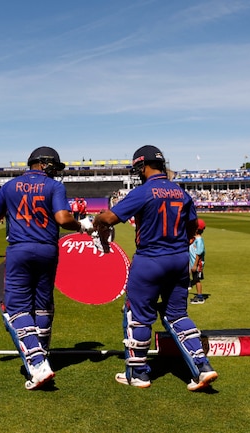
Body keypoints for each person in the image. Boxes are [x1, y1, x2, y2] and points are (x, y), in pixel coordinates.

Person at [94, 145, 217, 391]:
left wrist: (96, 221)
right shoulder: (182, 194)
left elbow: (109, 218)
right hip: (178, 261)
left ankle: (138, 374)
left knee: (137, 316)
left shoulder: (144, 191)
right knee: (178, 315)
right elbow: (192, 228)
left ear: (143, 165)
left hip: (149, 260)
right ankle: (203, 368)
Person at [0, 146, 88, 390]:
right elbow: (62, 219)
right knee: (43, 305)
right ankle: (43, 354)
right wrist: (81, 225)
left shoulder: (9, 186)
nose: (55, 172)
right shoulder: (55, 187)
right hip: (48, 250)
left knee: (16, 307)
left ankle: (38, 364)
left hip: (20, 250)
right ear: (44, 164)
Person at [189, 219, 206, 305]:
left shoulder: (199, 241)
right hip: (192, 263)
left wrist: (195, 265)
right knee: (194, 279)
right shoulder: (194, 238)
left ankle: (200, 297)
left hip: (197, 264)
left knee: (197, 280)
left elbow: (199, 253)